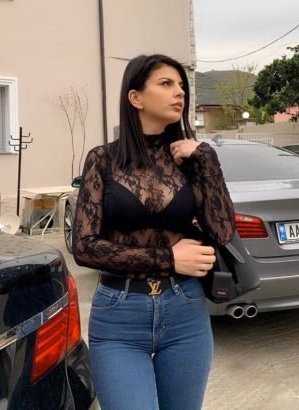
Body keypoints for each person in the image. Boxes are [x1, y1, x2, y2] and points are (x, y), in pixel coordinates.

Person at [72, 54, 235, 410]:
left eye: (181, 86)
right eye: (166, 83)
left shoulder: (190, 160)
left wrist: (206, 158)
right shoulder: (103, 160)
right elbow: (83, 246)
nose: (180, 92)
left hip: (185, 310)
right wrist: (168, 258)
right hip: (119, 314)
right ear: (136, 97)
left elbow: (222, 231)